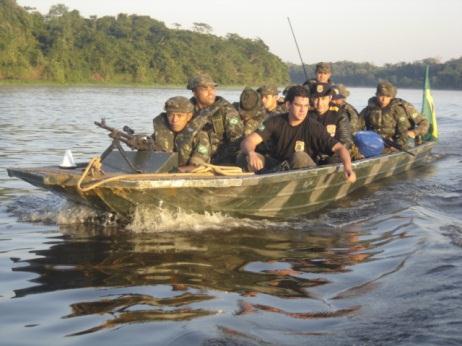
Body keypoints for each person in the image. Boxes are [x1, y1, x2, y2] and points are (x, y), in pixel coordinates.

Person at [240, 85, 356, 182]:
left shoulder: (314, 127)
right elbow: (249, 141)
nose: (303, 110)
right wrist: (251, 153)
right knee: (244, 156)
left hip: (304, 173)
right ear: (288, 105)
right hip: (278, 166)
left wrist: (348, 168)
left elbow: (340, 148)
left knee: (299, 156)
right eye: (298, 105)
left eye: (306, 106)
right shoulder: (274, 121)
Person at [176, 73, 244, 165]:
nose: (211, 93)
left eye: (212, 88)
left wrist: (216, 162)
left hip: (219, 161)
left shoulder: (226, 111)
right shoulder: (186, 110)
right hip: (189, 158)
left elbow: (236, 142)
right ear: (194, 92)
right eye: (205, 89)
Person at [359, 80, 429, 149]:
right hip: (377, 144)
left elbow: (424, 122)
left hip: (404, 142)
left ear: (392, 96)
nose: (383, 99)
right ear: (376, 95)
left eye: (387, 96)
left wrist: (414, 132)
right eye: (381, 95)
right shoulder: (369, 109)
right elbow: (358, 125)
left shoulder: (404, 107)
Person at [152, 96, 211, 172]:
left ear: (189, 117)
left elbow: (198, 165)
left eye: (179, 116)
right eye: (170, 115)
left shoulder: (200, 136)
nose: (174, 120)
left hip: (189, 177)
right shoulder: (160, 134)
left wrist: (176, 170)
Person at [309, 82, 354, 150]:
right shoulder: (307, 114)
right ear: (311, 99)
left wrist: (328, 154)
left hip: (334, 155)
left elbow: (346, 142)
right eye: (316, 99)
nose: (319, 103)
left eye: (323, 99)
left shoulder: (339, 114)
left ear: (330, 98)